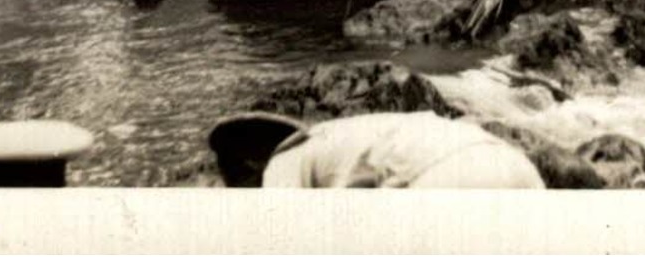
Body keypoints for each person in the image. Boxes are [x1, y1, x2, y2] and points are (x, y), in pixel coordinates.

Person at [208, 111, 545, 189]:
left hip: (444, 177)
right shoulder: (341, 137)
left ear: (252, 166)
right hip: (511, 162)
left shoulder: (281, 166)